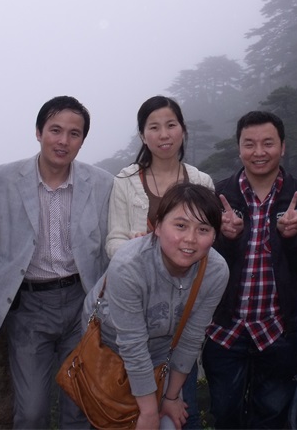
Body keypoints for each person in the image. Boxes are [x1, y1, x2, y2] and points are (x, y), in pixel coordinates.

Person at [0, 96, 113, 428]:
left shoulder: (101, 183)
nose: (63, 141)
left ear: (82, 140)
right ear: (39, 132)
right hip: (30, 307)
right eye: (55, 130)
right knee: (31, 412)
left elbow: (108, 249)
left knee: (79, 407)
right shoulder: (2, 180)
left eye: (74, 134)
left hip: (82, 302)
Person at [202, 110, 297, 429]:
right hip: (225, 329)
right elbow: (200, 264)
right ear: (238, 148)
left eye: (268, 143)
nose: (259, 152)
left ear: (283, 147)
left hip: (278, 330)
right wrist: (226, 240)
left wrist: (292, 239)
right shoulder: (218, 196)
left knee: (271, 418)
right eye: (249, 144)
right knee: (224, 415)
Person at [83, 183, 229, 430]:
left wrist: (170, 398)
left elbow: (192, 338)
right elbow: (132, 343)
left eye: (203, 229)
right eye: (180, 225)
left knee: (171, 423)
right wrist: (149, 412)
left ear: (214, 235)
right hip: (109, 348)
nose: (190, 239)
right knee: (115, 419)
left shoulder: (215, 272)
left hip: (162, 352)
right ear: (157, 226)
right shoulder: (129, 265)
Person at [106, 95, 214, 427]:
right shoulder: (125, 181)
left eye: (171, 125)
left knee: (181, 409)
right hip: (136, 307)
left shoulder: (201, 182)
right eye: (154, 127)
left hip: (181, 314)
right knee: (129, 410)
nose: (163, 134)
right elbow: (113, 241)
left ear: (183, 129)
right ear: (142, 135)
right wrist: (134, 250)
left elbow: (206, 244)